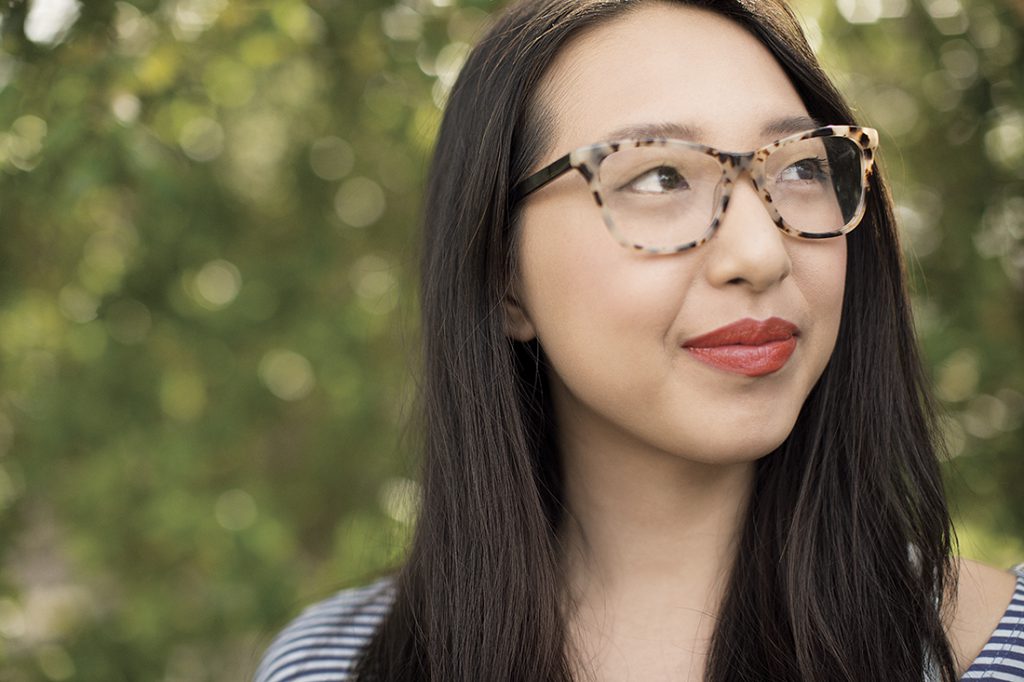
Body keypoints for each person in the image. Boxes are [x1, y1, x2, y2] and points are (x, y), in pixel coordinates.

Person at [254, 0, 1024, 680]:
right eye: (658, 177)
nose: (761, 254)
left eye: (799, 169)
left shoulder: (999, 647)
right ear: (503, 278)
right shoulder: (329, 663)